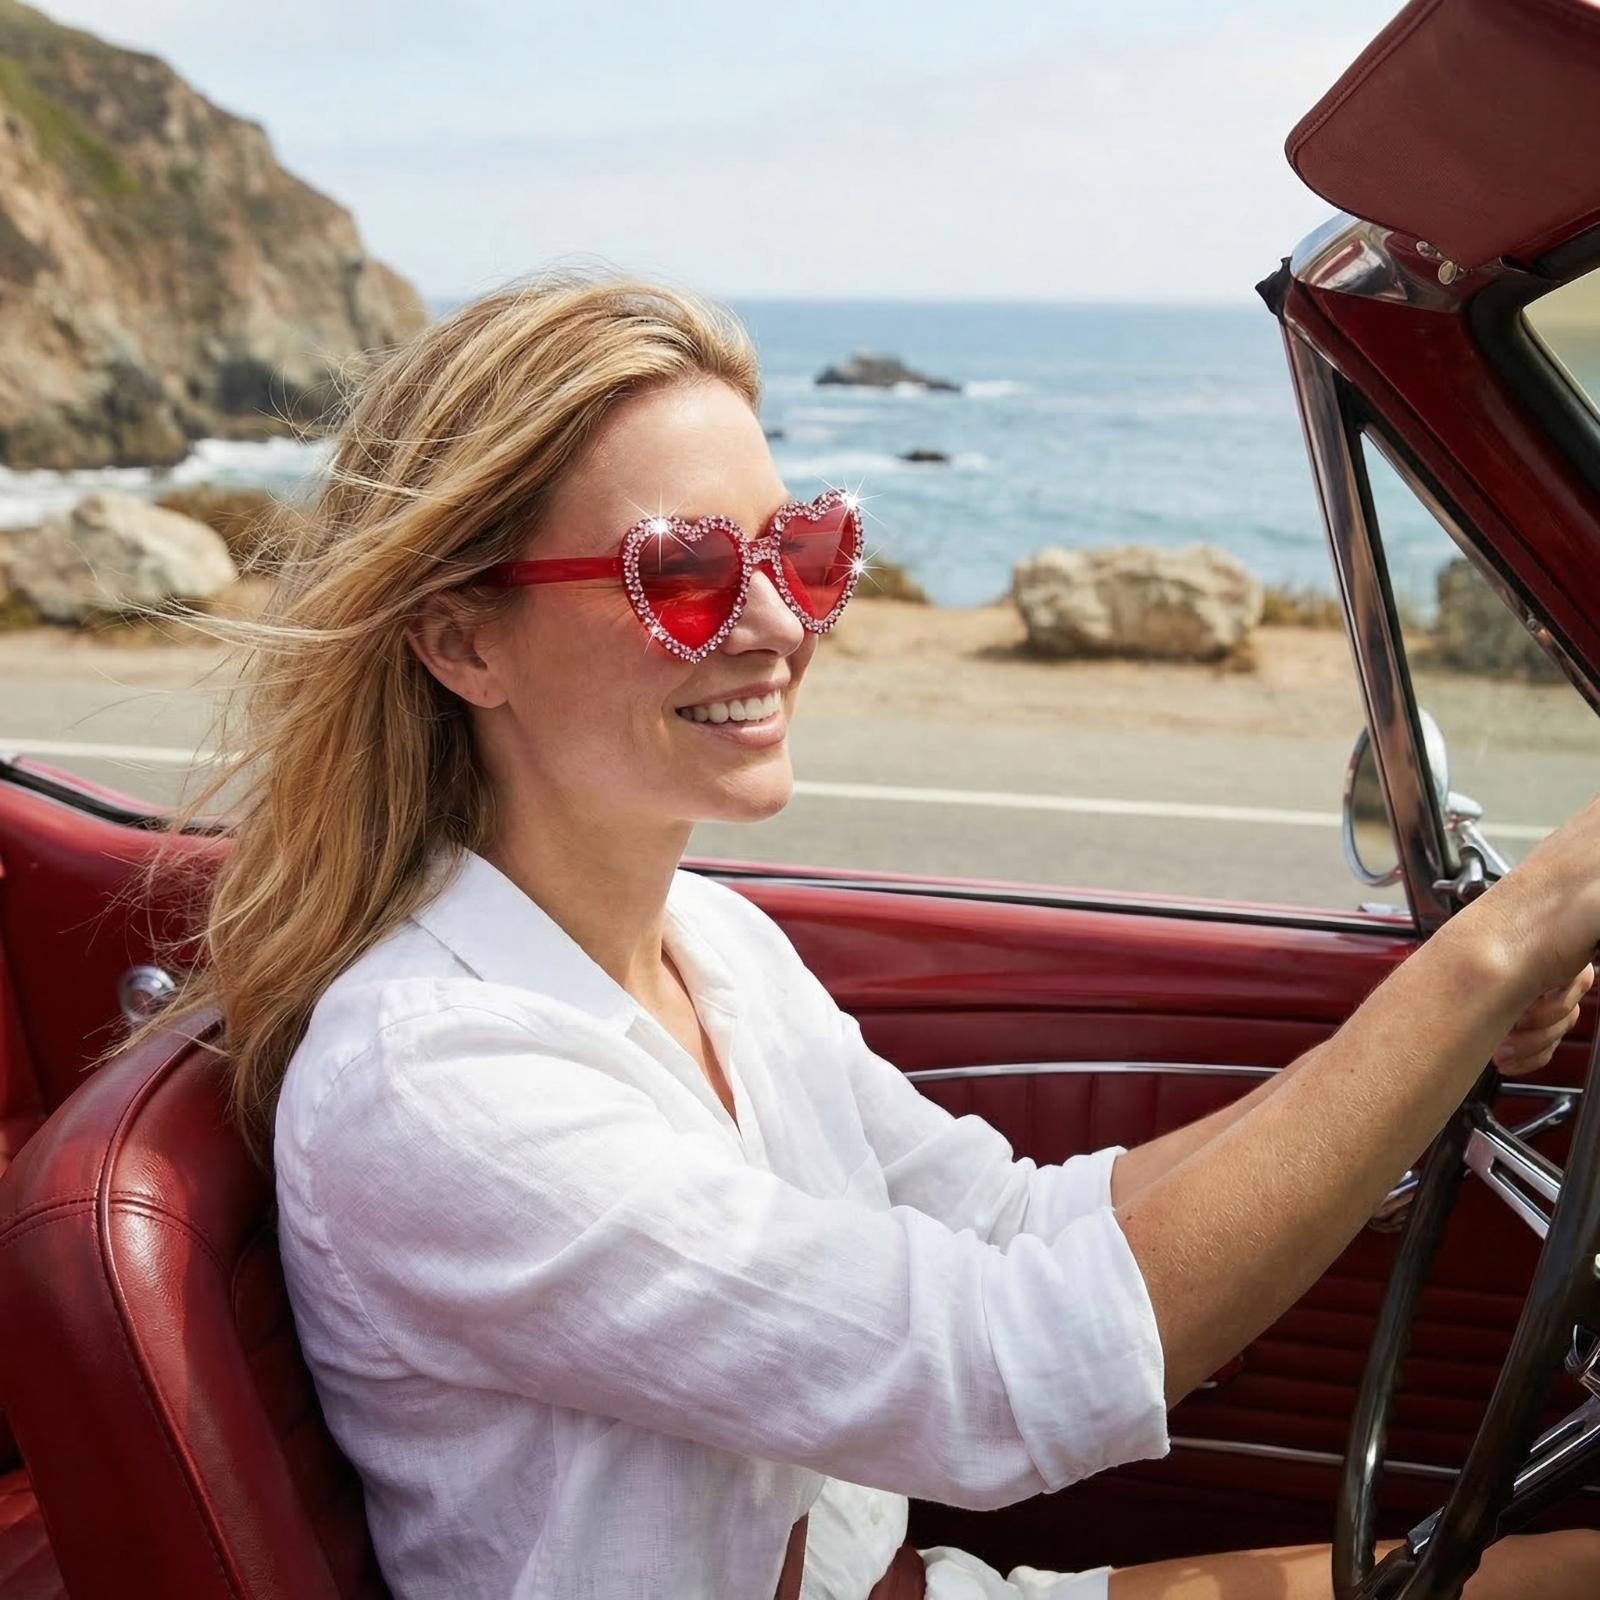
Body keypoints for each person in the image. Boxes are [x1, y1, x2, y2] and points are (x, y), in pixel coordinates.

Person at [149, 271, 1600, 1598]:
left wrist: (1422, 1065)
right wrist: (1493, 950)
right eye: (683, 572)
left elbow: (1012, 1224)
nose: (781, 622)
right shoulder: (440, 1085)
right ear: (463, 640)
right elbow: (1001, 1373)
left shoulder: (711, 943)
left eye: (804, 550)